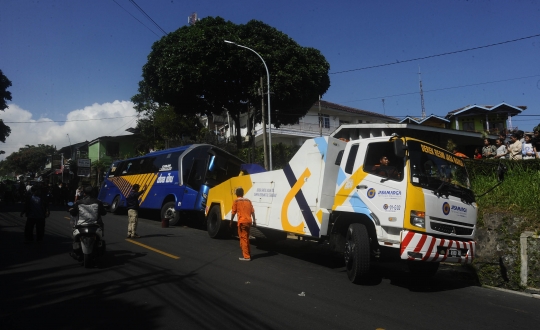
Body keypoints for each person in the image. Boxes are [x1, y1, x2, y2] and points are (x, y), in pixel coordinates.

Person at [69, 185, 106, 259]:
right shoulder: (98, 202)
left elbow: (73, 213)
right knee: (101, 238)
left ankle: (76, 252)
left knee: (74, 238)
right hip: (95, 225)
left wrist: (71, 210)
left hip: (81, 226)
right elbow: (103, 213)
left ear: (84, 193)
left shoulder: (79, 202)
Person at [230, 187, 256, 261]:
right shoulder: (248, 201)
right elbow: (252, 211)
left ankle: (246, 256)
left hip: (242, 222)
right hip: (249, 221)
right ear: (243, 193)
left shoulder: (236, 201)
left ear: (236, 194)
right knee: (246, 238)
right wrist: (254, 221)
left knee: (243, 238)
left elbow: (233, 212)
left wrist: (231, 221)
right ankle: (248, 253)